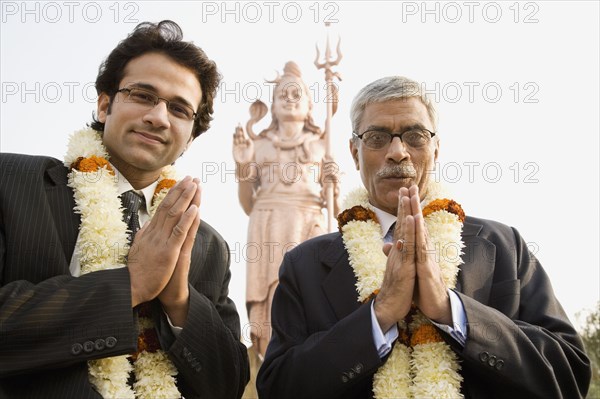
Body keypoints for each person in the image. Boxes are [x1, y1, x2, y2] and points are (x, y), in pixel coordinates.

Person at [256, 76, 591, 398]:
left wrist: (451, 310)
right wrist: (381, 313)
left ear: (436, 148)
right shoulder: (304, 265)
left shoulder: (503, 247)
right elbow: (278, 388)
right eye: (377, 137)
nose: (398, 152)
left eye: (414, 135)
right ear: (354, 152)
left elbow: (569, 375)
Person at [0, 21, 249, 398]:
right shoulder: (13, 181)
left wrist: (180, 301)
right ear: (104, 105)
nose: (159, 117)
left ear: (189, 140)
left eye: (180, 109)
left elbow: (228, 385)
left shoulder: (208, 246)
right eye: (143, 95)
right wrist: (131, 284)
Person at [233, 61, 340, 358]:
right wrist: (243, 166)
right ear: (273, 106)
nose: (290, 100)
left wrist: (333, 182)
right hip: (267, 221)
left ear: (309, 107)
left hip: (308, 219)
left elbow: (337, 208)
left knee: (311, 286)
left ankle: (309, 358)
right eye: (283, 95)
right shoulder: (259, 145)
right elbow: (246, 203)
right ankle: (272, 360)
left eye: (297, 95)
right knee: (272, 296)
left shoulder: (321, 145)